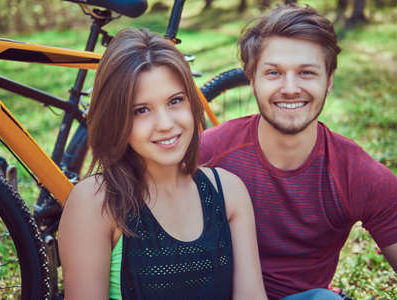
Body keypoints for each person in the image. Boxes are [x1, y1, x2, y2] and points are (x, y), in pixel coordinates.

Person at [199, 4, 397, 300]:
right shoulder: (210, 151)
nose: (290, 88)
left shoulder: (356, 174)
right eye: (274, 73)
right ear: (252, 80)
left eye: (306, 72)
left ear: (328, 81)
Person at [58, 28, 267, 300]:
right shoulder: (96, 202)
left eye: (175, 101)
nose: (166, 124)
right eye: (141, 110)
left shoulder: (228, 192)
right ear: (115, 118)